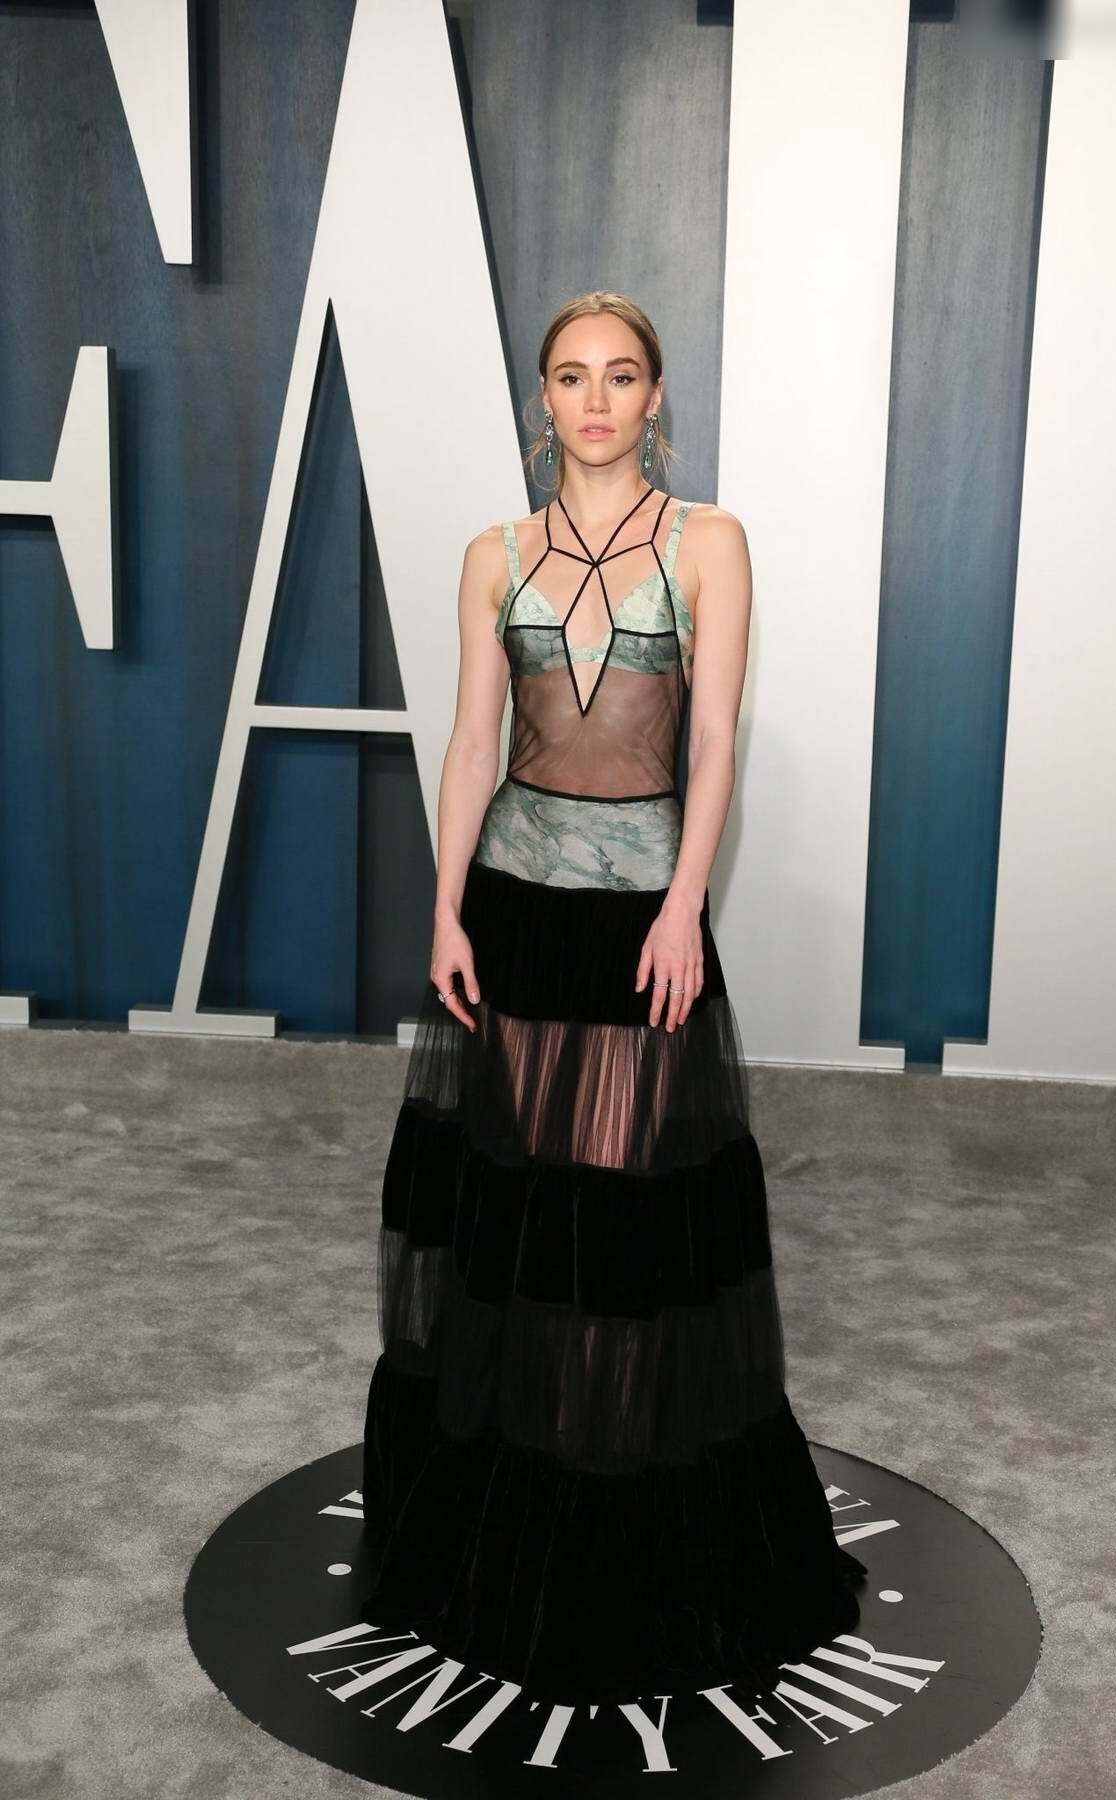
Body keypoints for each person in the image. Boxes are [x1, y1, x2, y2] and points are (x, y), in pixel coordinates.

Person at [360, 291, 865, 1703]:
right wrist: (445, 908)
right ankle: (520, 1513)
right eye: (572, 377)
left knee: (626, 1224)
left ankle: (619, 1532)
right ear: (544, 401)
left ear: (654, 398)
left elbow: (712, 743)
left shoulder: (709, 543)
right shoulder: (495, 554)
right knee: (525, 1212)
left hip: (641, 925)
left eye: (621, 375)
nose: (596, 400)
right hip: (515, 920)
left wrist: (686, 905)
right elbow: (473, 744)